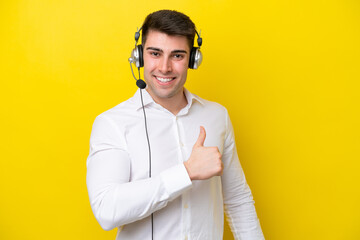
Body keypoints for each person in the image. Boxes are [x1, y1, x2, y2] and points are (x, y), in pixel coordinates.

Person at [86, 9, 265, 240]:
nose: (164, 67)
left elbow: (238, 200)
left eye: (177, 56)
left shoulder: (217, 116)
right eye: (155, 53)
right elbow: (106, 209)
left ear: (193, 60)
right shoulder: (112, 123)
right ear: (139, 56)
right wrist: (187, 171)